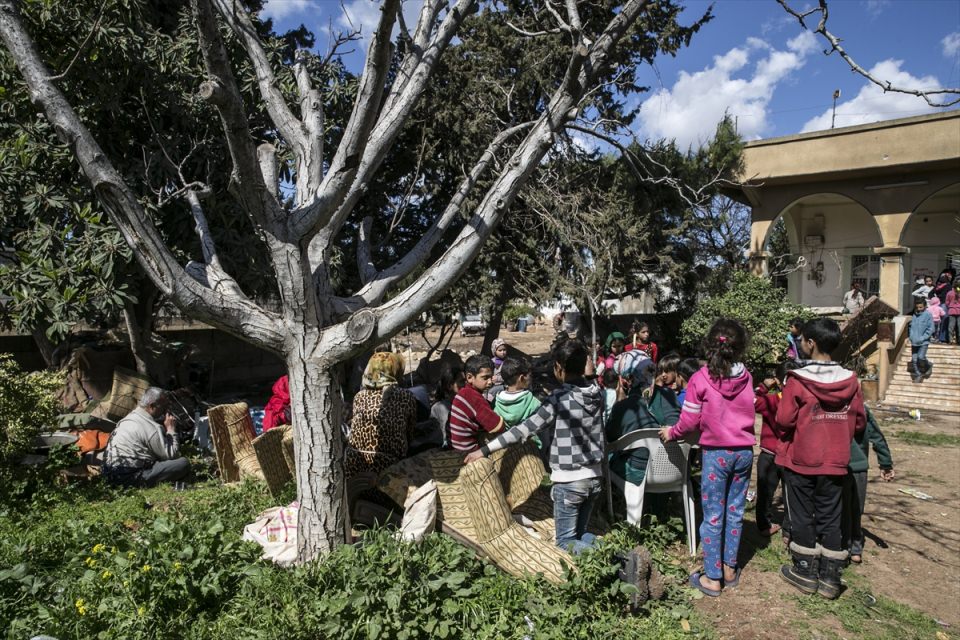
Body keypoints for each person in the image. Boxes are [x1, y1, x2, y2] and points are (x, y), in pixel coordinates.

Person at [465, 340, 605, 555]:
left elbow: (523, 430)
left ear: (558, 368)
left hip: (570, 481)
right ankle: (619, 556)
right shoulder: (597, 394)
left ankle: (615, 561)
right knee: (580, 534)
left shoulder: (560, 399)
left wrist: (484, 450)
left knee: (565, 542)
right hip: (595, 478)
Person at [660, 319, 756, 597]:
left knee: (713, 515)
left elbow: (689, 422)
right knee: (735, 512)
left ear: (709, 345)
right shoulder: (746, 376)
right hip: (744, 452)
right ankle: (729, 568)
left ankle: (712, 578)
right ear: (739, 349)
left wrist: (672, 432)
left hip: (716, 455)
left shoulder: (701, 378)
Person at [776, 317, 866, 600]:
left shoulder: (797, 380)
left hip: (802, 459)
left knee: (802, 513)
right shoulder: (851, 381)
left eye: (802, 340)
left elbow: (784, 419)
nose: (800, 344)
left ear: (810, 343)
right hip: (836, 460)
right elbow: (860, 423)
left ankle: (804, 570)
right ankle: (830, 578)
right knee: (831, 515)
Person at [344, 352, 418, 477]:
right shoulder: (405, 396)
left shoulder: (359, 397)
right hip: (389, 471)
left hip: (354, 469)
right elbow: (410, 434)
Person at [103, 387, 190, 487]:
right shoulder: (151, 428)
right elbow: (171, 455)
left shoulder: (130, 418)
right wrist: (171, 429)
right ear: (152, 406)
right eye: (164, 407)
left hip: (109, 475)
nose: (166, 411)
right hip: (131, 477)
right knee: (183, 463)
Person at [754, 360, 799, 540]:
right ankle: (789, 530)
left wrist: (764, 386)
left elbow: (752, 399)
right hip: (791, 454)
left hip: (769, 454)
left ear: (778, 381)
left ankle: (764, 525)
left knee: (765, 492)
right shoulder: (801, 403)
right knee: (791, 494)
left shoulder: (769, 401)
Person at [843, 408, 894, 564]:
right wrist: (885, 463)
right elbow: (877, 436)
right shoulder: (861, 408)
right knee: (856, 508)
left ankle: (844, 546)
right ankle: (855, 548)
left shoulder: (829, 404)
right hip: (858, 467)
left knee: (840, 508)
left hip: (837, 466)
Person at [449, 355, 504, 452]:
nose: (490, 382)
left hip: (457, 445)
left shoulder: (464, 392)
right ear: (470, 377)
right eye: (485, 378)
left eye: (491, 377)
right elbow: (497, 426)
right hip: (469, 448)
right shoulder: (473, 397)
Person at [494, 357, 541, 428]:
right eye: (530, 376)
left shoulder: (496, 404)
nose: (531, 378)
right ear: (522, 378)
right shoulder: (534, 404)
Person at [430, 364, 464, 449]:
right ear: (450, 386)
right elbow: (447, 437)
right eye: (461, 382)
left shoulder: (459, 403)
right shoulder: (442, 408)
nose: (465, 385)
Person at [908, 298, 934, 383]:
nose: (919, 309)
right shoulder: (914, 315)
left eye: (921, 307)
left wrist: (923, 338)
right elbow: (911, 328)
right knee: (914, 360)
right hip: (914, 342)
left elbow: (931, 329)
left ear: (925, 306)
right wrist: (911, 336)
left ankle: (928, 365)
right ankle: (918, 375)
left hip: (923, 342)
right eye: (917, 307)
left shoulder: (928, 315)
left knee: (921, 357)